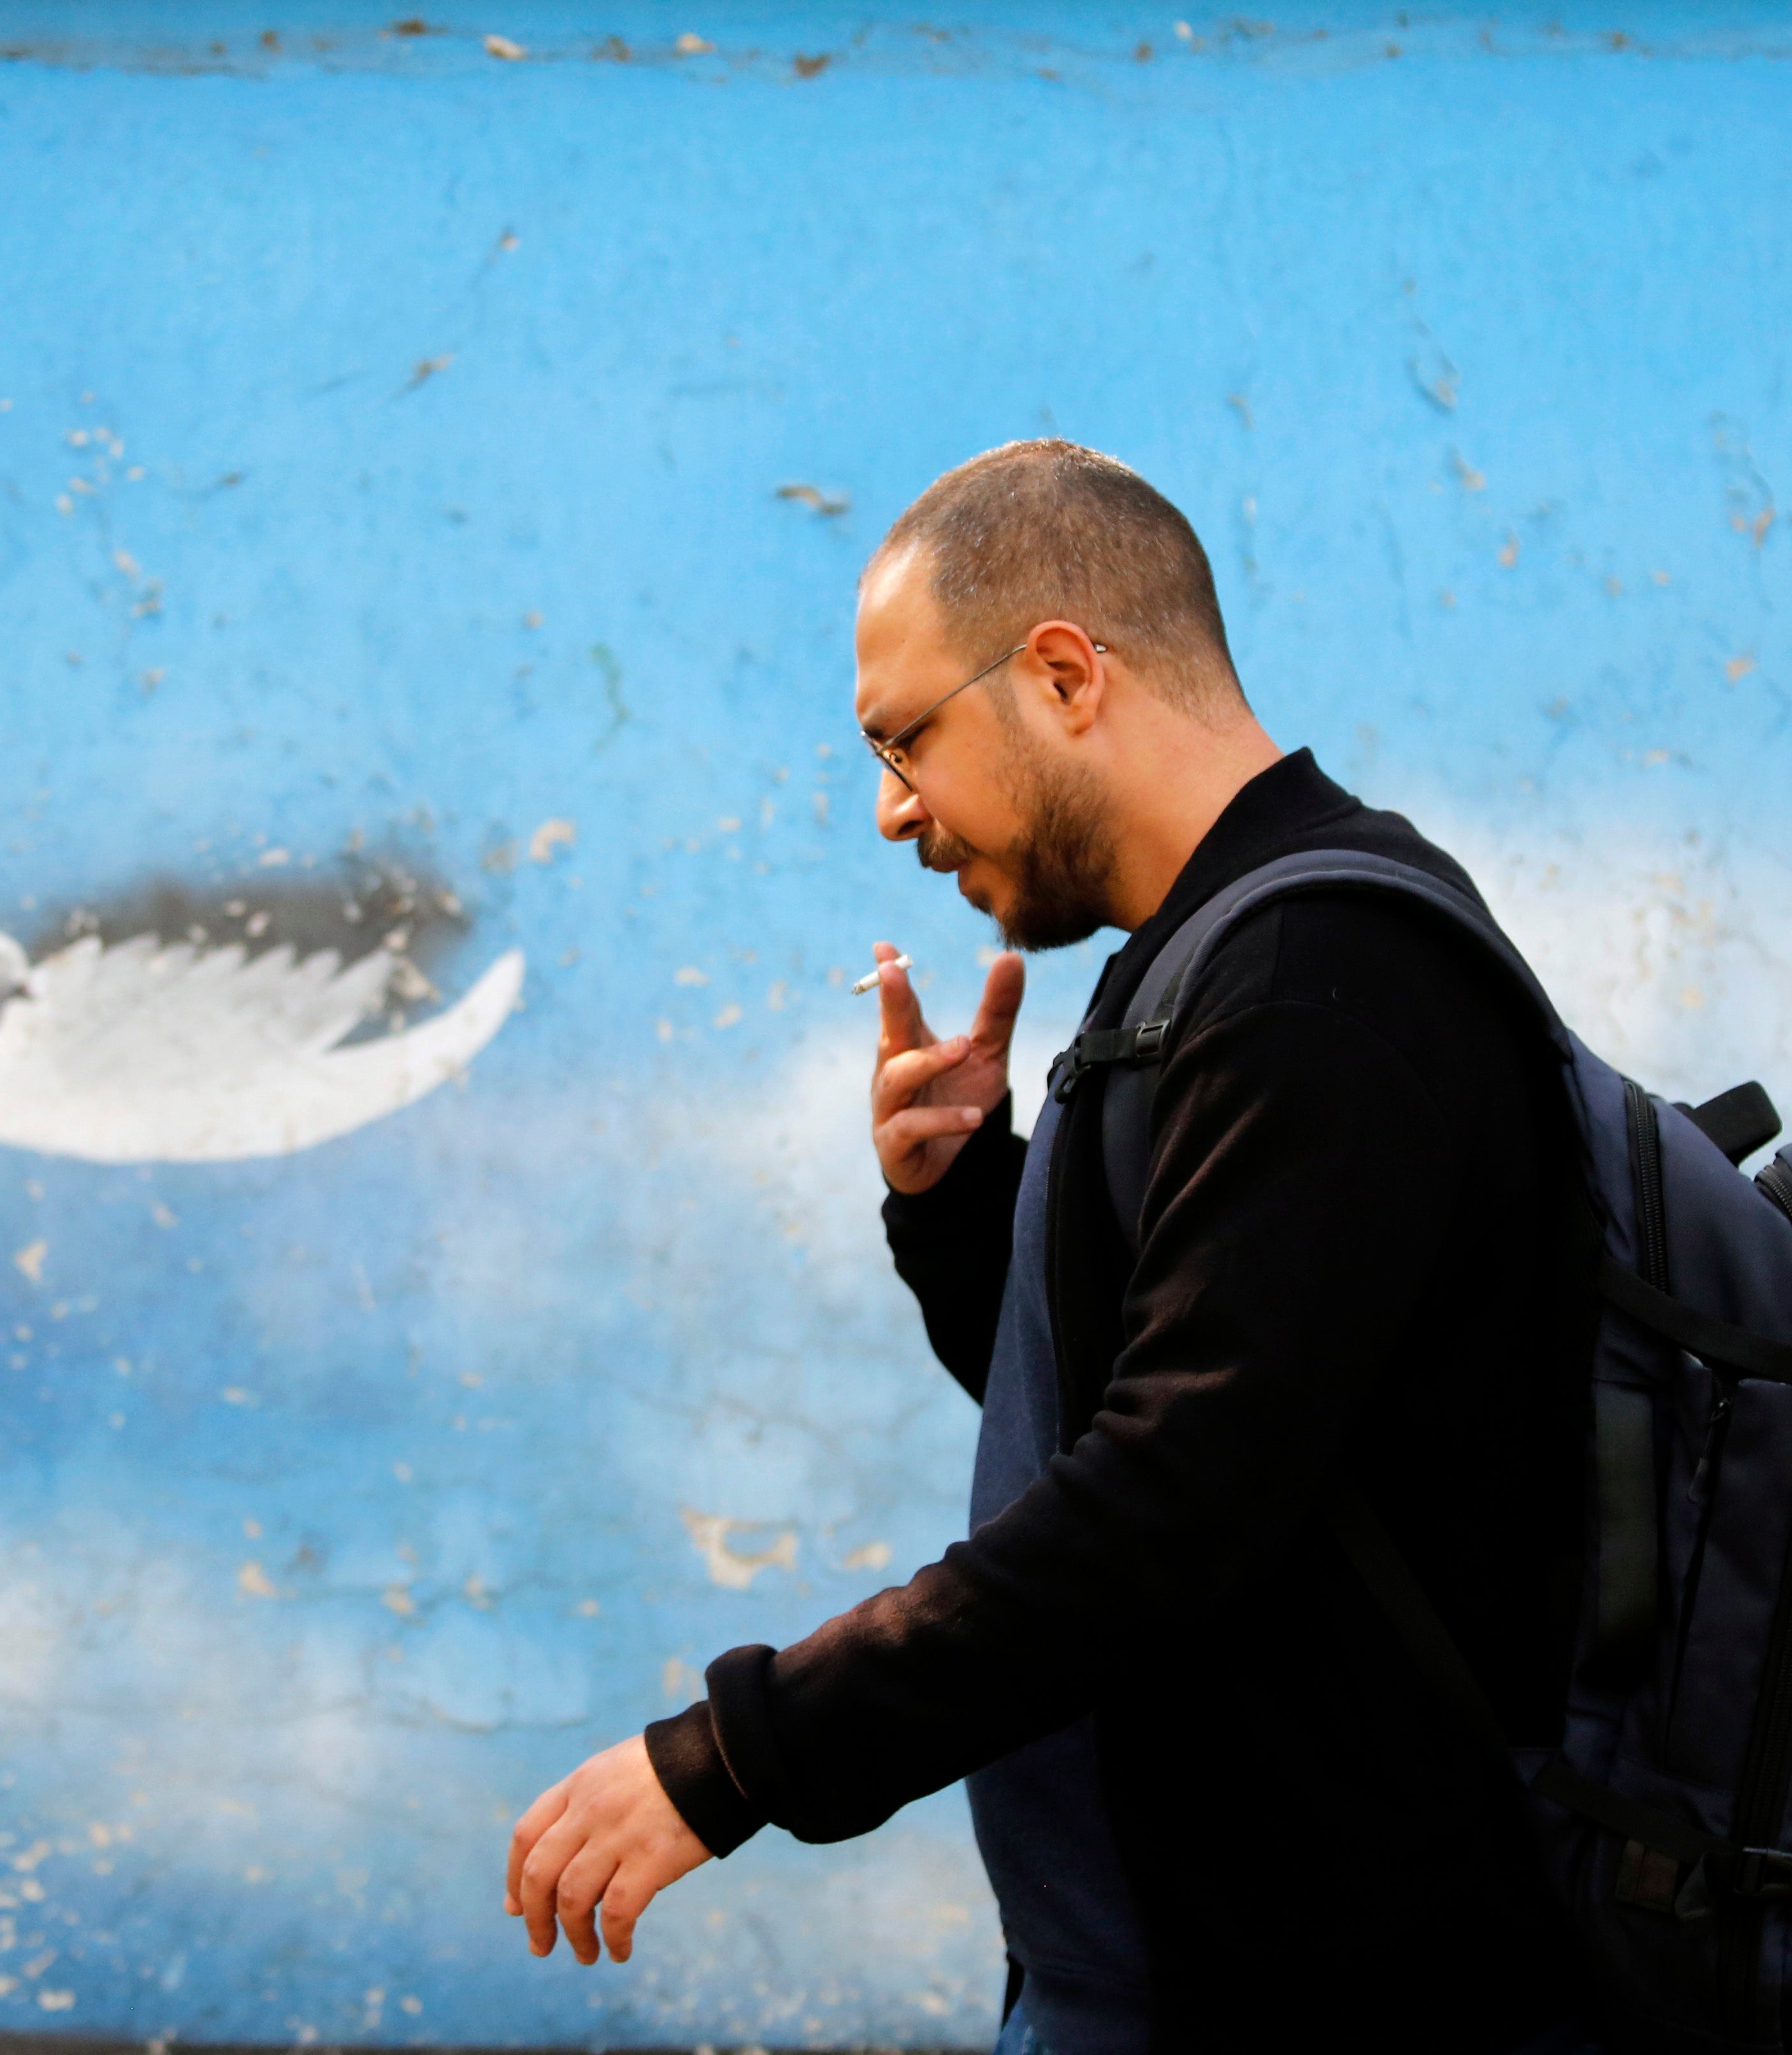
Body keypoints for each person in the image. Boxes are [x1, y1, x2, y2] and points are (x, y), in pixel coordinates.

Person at [504, 440, 1597, 2053]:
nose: (891, 811)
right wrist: (966, 1208)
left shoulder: (1319, 978)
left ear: (1066, 673)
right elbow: (1165, 1417)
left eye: (902, 740)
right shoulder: (1209, 966)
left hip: (1316, 2002)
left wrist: (737, 1756)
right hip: (1183, 1977)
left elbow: (1169, 1507)